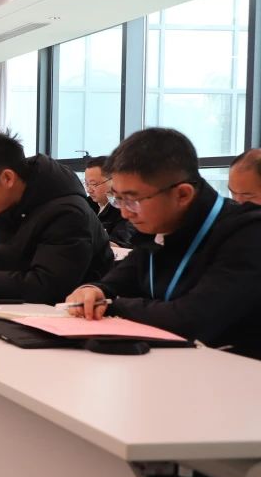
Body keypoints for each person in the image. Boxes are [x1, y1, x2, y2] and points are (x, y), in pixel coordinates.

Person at [64, 128, 261, 359]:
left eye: (133, 200)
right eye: (118, 199)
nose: (125, 213)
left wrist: (111, 305)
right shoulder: (162, 226)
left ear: (182, 195)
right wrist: (92, 291)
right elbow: (119, 280)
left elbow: (191, 319)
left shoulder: (248, 233)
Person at [0, 131, 112, 304]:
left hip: (69, 315)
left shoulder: (67, 213)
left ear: (7, 178)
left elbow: (46, 286)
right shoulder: (11, 205)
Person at [83, 156, 141, 246]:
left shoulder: (126, 209)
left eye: (94, 184)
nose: (89, 190)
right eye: (87, 184)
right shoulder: (86, 204)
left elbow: (116, 246)